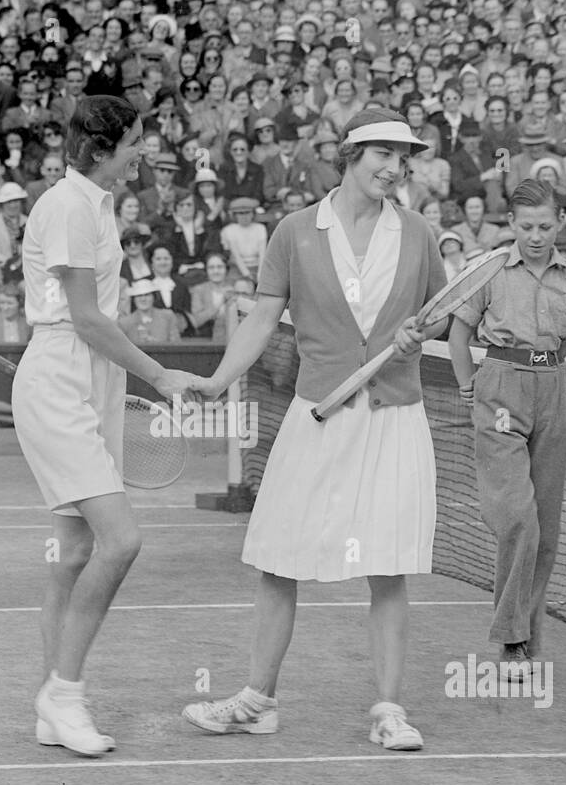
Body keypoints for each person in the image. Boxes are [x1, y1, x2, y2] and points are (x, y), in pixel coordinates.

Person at [183, 109, 449, 751]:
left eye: (403, 156)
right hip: (317, 416)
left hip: (393, 416)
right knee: (279, 560)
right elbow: (263, 317)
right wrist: (219, 381)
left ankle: (388, 710)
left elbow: (438, 315)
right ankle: (256, 702)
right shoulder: (296, 231)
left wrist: (424, 330)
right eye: (382, 153)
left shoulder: (418, 234)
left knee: (388, 569)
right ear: (351, 155)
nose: (395, 166)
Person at [13, 95, 198, 756]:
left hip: (92, 383)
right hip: (61, 380)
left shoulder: (95, 203)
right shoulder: (67, 206)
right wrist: (163, 375)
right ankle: (64, 695)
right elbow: (87, 319)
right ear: (101, 149)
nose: (141, 152)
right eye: (133, 143)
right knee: (120, 541)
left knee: (76, 552)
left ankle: (49, 705)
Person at [447, 178, 566, 672]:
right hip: (500, 387)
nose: (535, 235)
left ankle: (527, 637)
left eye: (545, 226)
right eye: (526, 226)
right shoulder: (487, 271)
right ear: (510, 224)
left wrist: (548, 370)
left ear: (561, 224)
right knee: (516, 517)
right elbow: (459, 333)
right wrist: (470, 389)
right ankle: (510, 640)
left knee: (545, 528)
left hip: (555, 388)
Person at [119, 276, 180, 343]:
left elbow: (176, 344)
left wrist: (154, 342)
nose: (143, 299)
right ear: (134, 299)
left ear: (154, 297)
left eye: (147, 295)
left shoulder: (168, 316)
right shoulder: (125, 323)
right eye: (139, 295)